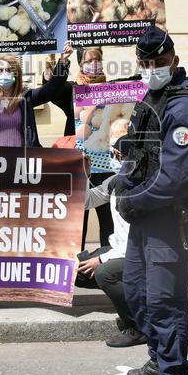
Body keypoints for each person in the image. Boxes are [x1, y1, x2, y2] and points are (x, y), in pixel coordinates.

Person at [113, 26, 188, 375]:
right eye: (146, 63)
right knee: (136, 292)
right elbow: (141, 152)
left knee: (164, 302)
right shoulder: (153, 97)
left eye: (159, 62)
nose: (153, 68)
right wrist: (122, 176)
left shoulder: (186, 105)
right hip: (143, 214)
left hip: (167, 217)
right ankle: (158, 358)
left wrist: (130, 200)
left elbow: (176, 178)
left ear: (174, 58)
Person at [78, 137, 145, 348]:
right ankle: (138, 299)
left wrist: (101, 259)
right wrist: (83, 173)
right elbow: (86, 201)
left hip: (141, 255)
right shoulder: (116, 181)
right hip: (123, 251)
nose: (113, 159)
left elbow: (135, 242)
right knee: (76, 269)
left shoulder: (141, 187)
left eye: (116, 155)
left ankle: (139, 326)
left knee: (104, 273)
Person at [74, 48, 116, 254]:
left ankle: (106, 261)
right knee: (78, 221)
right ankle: (76, 267)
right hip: (82, 166)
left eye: (97, 60)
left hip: (107, 166)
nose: (94, 64)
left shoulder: (113, 90)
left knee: (108, 220)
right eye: (89, 60)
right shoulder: (75, 90)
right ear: (81, 64)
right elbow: (81, 131)